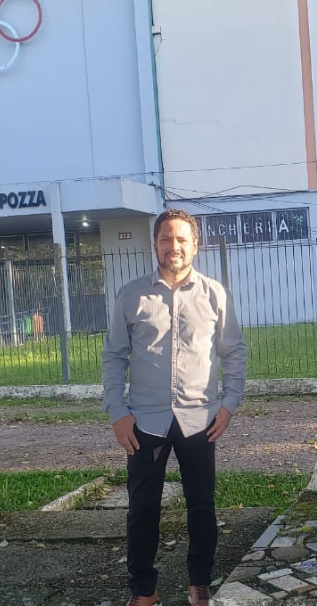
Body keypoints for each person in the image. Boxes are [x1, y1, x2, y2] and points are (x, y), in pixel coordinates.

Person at [102, 209, 247, 606]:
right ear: (155, 245)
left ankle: (199, 582)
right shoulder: (131, 296)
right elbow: (113, 356)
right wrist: (117, 413)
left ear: (195, 245)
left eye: (182, 239)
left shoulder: (216, 295)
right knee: (142, 509)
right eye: (167, 239)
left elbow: (234, 353)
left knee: (201, 505)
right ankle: (144, 591)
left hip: (200, 420)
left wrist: (229, 404)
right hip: (144, 423)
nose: (174, 247)